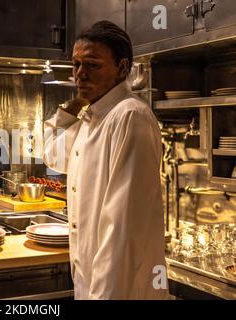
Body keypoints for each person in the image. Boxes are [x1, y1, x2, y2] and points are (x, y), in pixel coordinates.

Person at [43, 21, 169, 299]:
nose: (80, 74)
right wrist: (74, 105)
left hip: (118, 289)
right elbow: (52, 155)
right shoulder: (89, 117)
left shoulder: (130, 116)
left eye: (92, 65)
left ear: (122, 68)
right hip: (89, 280)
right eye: (76, 65)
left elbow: (122, 228)